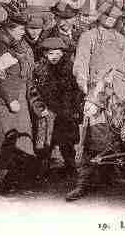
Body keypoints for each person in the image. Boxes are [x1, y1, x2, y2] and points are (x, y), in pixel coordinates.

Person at [66, 4, 125, 201]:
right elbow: (80, 66)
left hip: (118, 95)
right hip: (96, 93)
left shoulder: (120, 39)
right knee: (92, 137)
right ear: (100, 17)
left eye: (114, 18)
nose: (110, 21)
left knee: (117, 133)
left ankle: (111, 173)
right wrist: (90, 93)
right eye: (107, 17)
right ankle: (83, 182)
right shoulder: (89, 37)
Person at [27, 37, 84, 178]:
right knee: (45, 143)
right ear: (45, 54)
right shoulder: (38, 69)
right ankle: (43, 169)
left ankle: (70, 168)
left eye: (58, 53)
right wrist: (40, 108)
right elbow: (32, 91)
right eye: (51, 53)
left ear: (63, 54)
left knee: (67, 143)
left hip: (66, 112)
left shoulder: (70, 69)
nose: (54, 57)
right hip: (47, 112)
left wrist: (76, 110)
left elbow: (77, 91)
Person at [0, 3, 34, 190]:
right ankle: (1, 182)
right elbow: (3, 76)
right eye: (20, 29)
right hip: (7, 102)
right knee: (5, 141)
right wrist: (11, 100)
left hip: (18, 98)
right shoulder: (1, 45)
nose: (23, 32)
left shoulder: (15, 44)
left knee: (18, 139)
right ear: (9, 28)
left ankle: (12, 180)